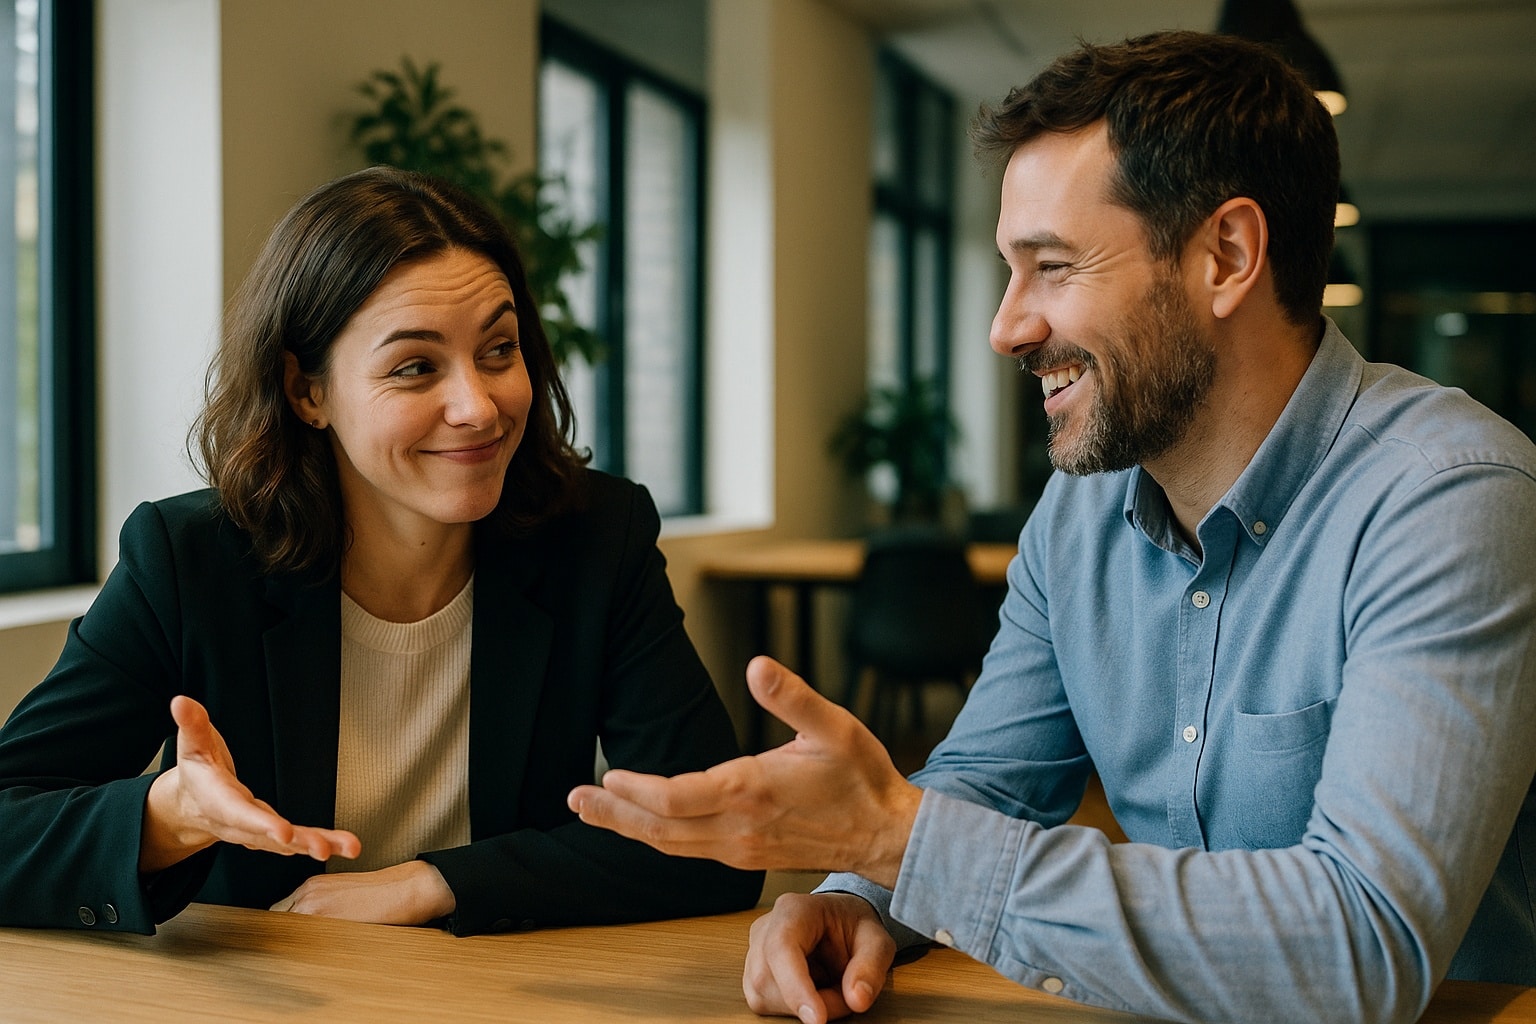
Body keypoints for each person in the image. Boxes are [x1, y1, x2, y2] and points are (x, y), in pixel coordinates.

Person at [568, 30, 1536, 1024]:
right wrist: (854, 893)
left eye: (1053, 266)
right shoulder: (1082, 511)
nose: (1007, 326)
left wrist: (896, 838)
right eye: (1008, 269)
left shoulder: (1452, 498)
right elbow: (991, 777)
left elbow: (1362, 947)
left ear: (1226, 256)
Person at [0, 166, 761, 936]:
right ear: (308, 392)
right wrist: (168, 817)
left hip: (501, 997)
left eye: (498, 350)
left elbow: (715, 838)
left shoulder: (598, 537)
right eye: (415, 367)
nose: (478, 406)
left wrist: (437, 882)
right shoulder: (190, 562)